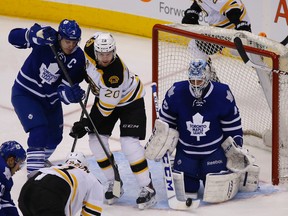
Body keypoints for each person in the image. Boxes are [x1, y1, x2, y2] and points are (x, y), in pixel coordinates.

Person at [145, 59, 259, 203]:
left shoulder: (222, 93)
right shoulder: (176, 92)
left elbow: (232, 124)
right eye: (192, 81)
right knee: (187, 190)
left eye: (199, 81)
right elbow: (166, 122)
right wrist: (161, 137)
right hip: (186, 152)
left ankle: (230, 172)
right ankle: (190, 172)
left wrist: (236, 147)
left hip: (213, 151)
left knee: (217, 192)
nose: (195, 85)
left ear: (207, 77)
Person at [69, 32, 156, 209]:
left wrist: (85, 124)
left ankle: (147, 188)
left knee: (129, 144)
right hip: (104, 98)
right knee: (95, 142)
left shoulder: (114, 76)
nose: (105, 58)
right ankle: (114, 184)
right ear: (96, 51)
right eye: (101, 54)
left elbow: (104, 111)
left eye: (109, 54)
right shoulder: (89, 46)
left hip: (130, 101)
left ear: (114, 51)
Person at [8, 19, 86, 175]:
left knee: (55, 137)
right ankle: (34, 175)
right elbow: (12, 37)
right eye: (67, 41)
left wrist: (70, 95)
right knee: (39, 129)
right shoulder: (45, 38)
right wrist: (32, 35)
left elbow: (62, 89)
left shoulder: (78, 58)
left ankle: (38, 161)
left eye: (74, 42)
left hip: (50, 101)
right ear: (59, 37)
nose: (70, 45)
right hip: (26, 93)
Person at [18, 152, 104, 216]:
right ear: (85, 165)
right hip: (50, 195)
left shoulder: (56, 167)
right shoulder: (92, 179)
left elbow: (32, 175)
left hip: (26, 191)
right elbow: (91, 213)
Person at [182, 0, 251, 32]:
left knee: (196, 46)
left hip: (232, 27)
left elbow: (231, 7)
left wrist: (238, 23)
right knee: (197, 45)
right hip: (220, 28)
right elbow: (201, 2)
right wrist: (192, 12)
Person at [0, 140, 26, 216]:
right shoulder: (2, 171)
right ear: (11, 161)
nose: (19, 168)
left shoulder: (5, 175)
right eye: (20, 163)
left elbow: (6, 201)